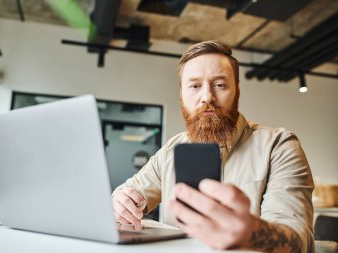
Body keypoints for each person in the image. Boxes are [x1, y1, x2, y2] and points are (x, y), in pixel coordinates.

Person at [112, 40, 314, 253]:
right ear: (182, 95)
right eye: (195, 86)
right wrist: (120, 202)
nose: (207, 96)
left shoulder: (279, 146)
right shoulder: (171, 150)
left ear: (237, 91)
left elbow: (300, 242)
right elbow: (130, 194)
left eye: (220, 84)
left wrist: (251, 233)